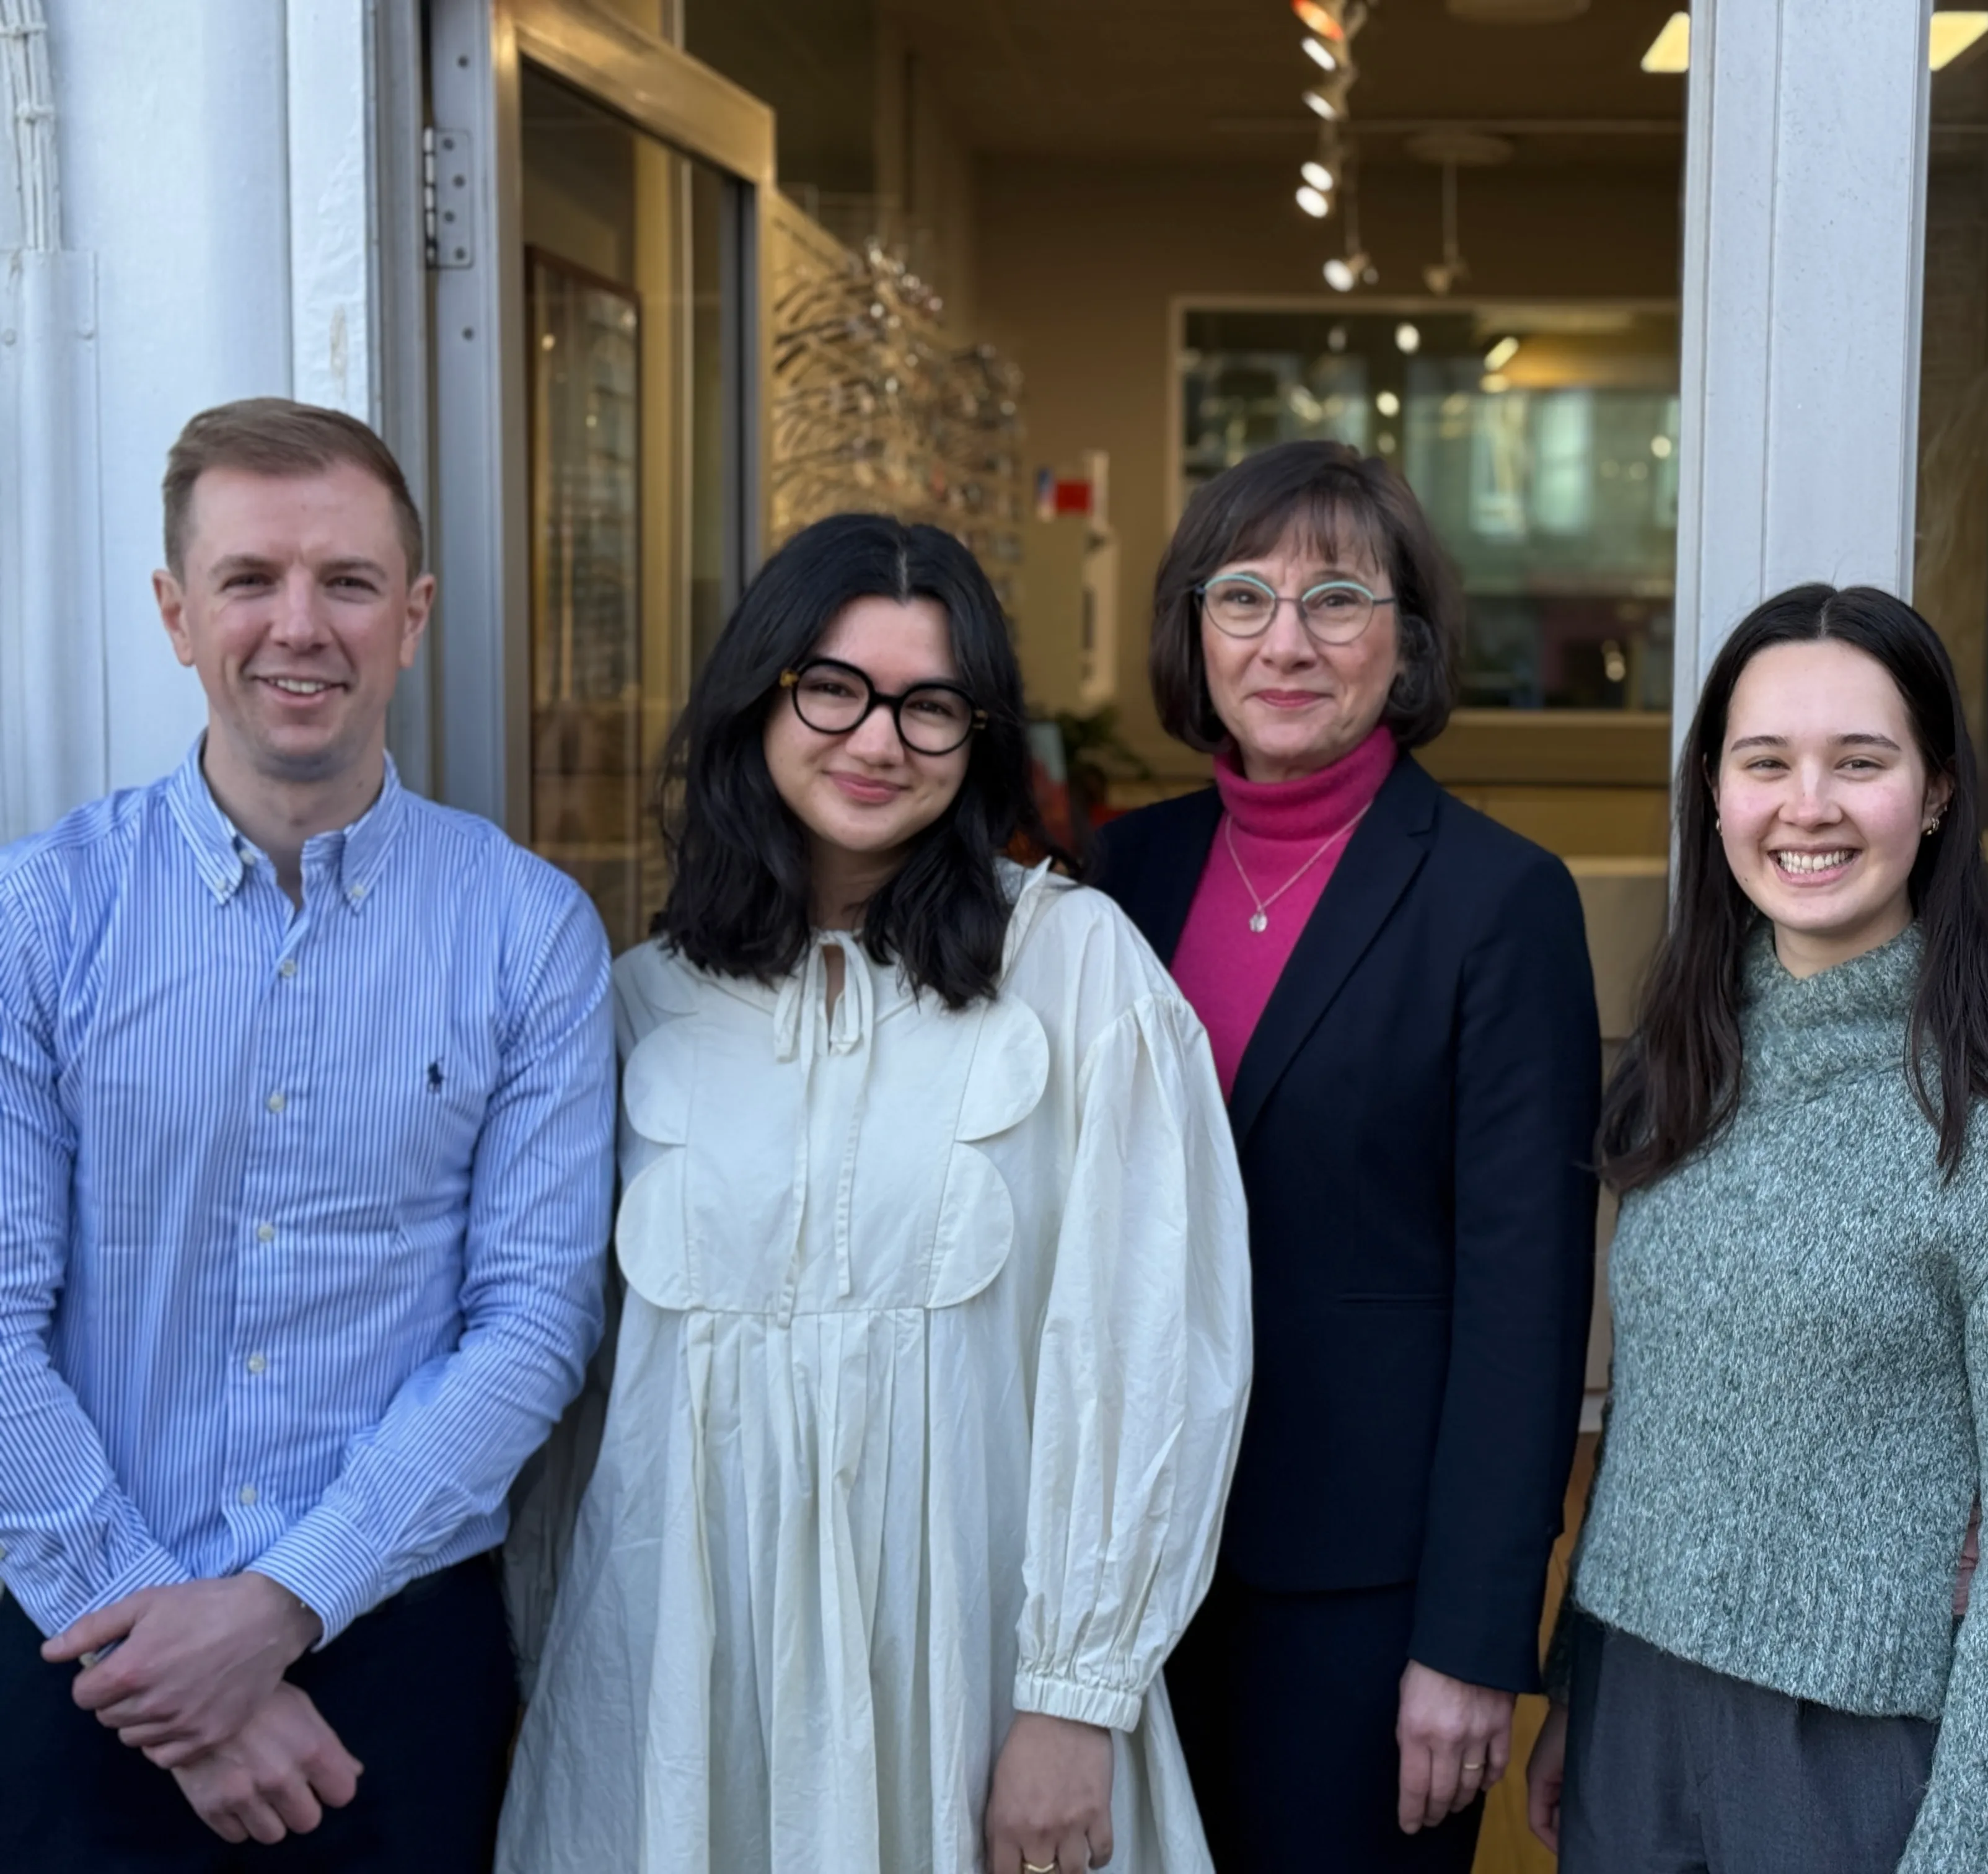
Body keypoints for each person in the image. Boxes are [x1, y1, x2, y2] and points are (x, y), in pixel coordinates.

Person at [495, 513, 1254, 1874]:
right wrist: (547, 1665)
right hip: (681, 1686)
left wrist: (1076, 1700)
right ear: (760, 699)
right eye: (834, 688)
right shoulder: (637, 1005)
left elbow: (1152, 1350)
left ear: (979, 741)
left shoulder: (1076, 972)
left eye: (931, 705)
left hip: (970, 1681)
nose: (878, 738)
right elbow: (579, 1409)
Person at [0, 398, 616, 1868]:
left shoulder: (528, 932)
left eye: (346, 583)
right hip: (82, 1645)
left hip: (396, 1671)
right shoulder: (41, 919)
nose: (300, 626)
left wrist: (280, 1609)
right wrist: (172, 1663)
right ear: (173, 613)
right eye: (249, 580)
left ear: (411, 618)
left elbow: (534, 1321)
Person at [1520, 584, 1988, 1873]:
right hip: (1638, 1716)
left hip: (1858, 1762)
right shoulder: (1692, 1062)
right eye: (1766, 764)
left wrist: (1974, 1851)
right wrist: (1582, 1682)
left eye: (1860, 762)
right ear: (1713, 791)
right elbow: (1659, 1412)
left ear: (1938, 794)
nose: (1808, 805)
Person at [1088, 440, 1599, 1872]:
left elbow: (1527, 1303)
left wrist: (1471, 1643)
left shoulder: (1499, 902)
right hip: (1129, 1572)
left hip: (1364, 1604)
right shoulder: (1118, 881)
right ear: (1195, 630)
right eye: (1242, 596)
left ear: (1410, 638)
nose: (1286, 641)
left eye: (1339, 598)